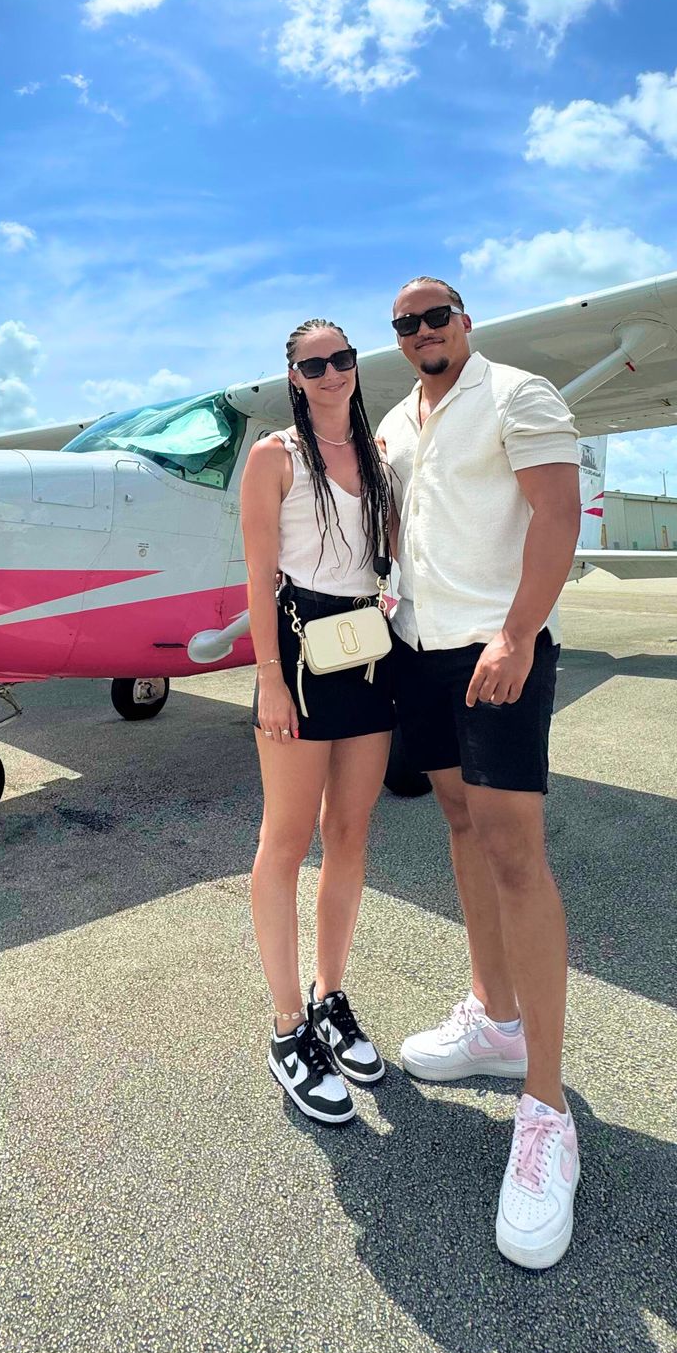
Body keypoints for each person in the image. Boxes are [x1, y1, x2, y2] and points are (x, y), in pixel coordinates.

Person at [376, 278, 583, 1270]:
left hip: (494, 651)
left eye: (437, 317)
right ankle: (495, 1018)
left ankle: (545, 1108)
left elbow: (555, 519)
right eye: (406, 324)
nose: (422, 332)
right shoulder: (393, 420)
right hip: (417, 651)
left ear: (466, 323)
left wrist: (515, 634)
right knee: (459, 828)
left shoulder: (521, 395)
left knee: (515, 858)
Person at [239, 317, 397, 1125]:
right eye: (314, 363)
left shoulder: (379, 457)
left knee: (352, 834)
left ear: (355, 366)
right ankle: (286, 1029)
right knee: (286, 838)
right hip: (299, 656)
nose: (332, 372)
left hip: (368, 650)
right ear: (294, 375)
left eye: (342, 358)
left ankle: (329, 996)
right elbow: (259, 575)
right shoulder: (277, 458)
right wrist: (269, 680)